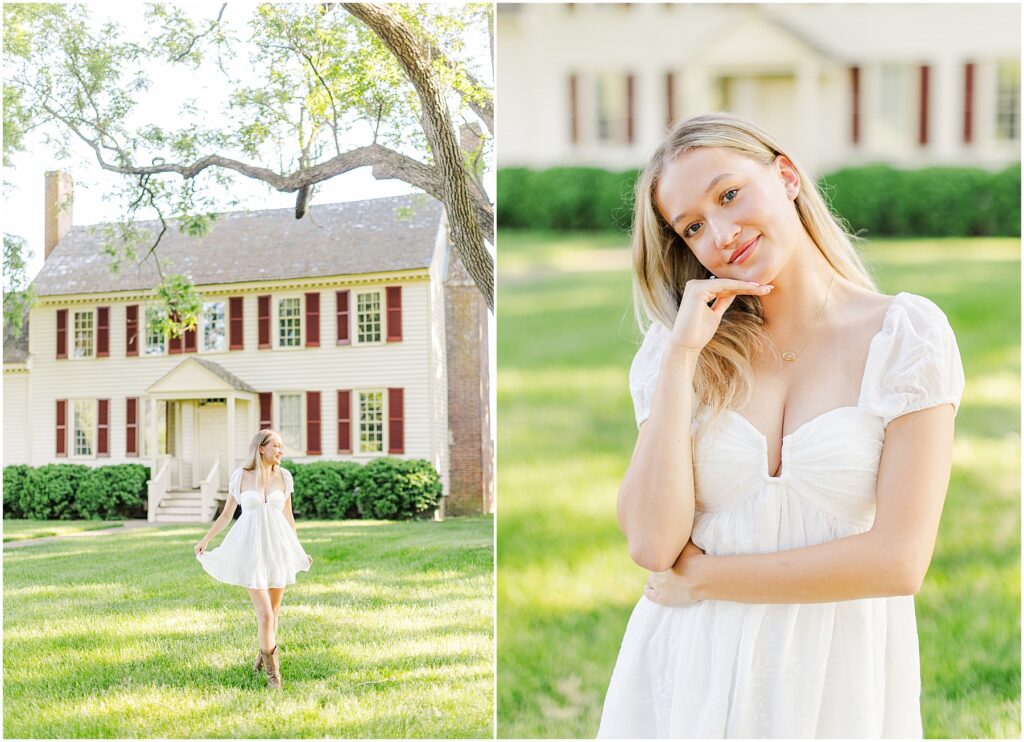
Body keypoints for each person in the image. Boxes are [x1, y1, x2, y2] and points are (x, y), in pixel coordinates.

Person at [598, 112, 965, 738]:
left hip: (833, 673)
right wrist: (682, 357)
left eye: (729, 194)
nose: (720, 232)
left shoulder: (906, 337)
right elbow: (652, 546)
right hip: (693, 665)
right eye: (692, 227)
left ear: (787, 176)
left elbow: (899, 562)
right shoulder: (678, 352)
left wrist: (707, 578)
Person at [194, 429, 313, 690]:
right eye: (276, 446)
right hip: (251, 550)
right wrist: (206, 540)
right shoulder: (241, 476)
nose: (281, 451)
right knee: (265, 614)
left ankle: (262, 658)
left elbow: (288, 518)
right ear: (261, 448)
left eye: (282, 447)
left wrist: (299, 550)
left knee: (273, 613)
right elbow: (226, 515)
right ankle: (274, 679)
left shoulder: (285, 477)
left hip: (278, 550)